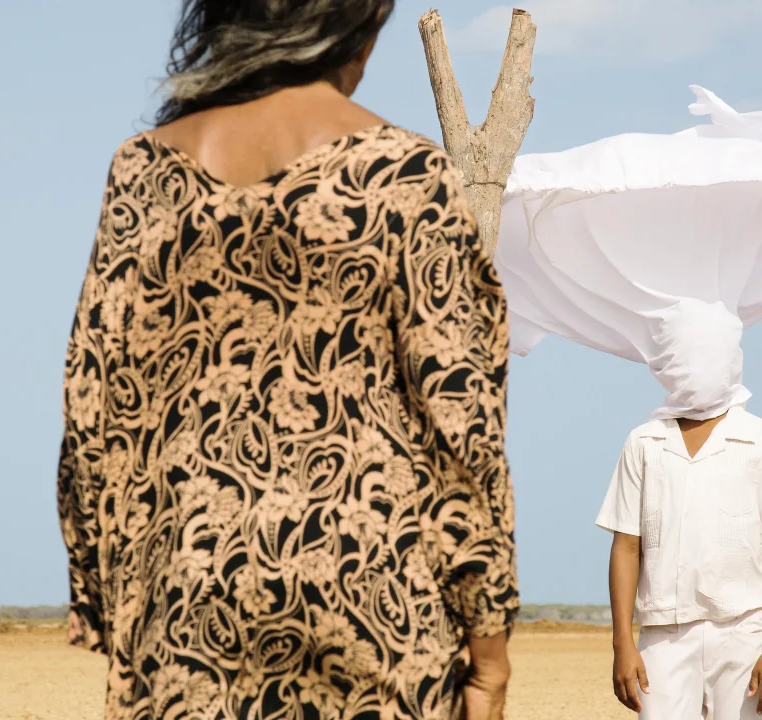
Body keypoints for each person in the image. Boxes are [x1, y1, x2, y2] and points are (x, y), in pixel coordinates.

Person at [55, 1, 519, 718]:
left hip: (189, 597)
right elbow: (461, 422)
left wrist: (112, 596)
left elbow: (94, 403)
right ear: (352, 28)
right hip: (375, 597)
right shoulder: (403, 174)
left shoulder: (141, 174)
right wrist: (487, 645)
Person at [598, 405, 762, 719]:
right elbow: (626, 547)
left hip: (743, 631)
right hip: (662, 635)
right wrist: (621, 644)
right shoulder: (644, 441)